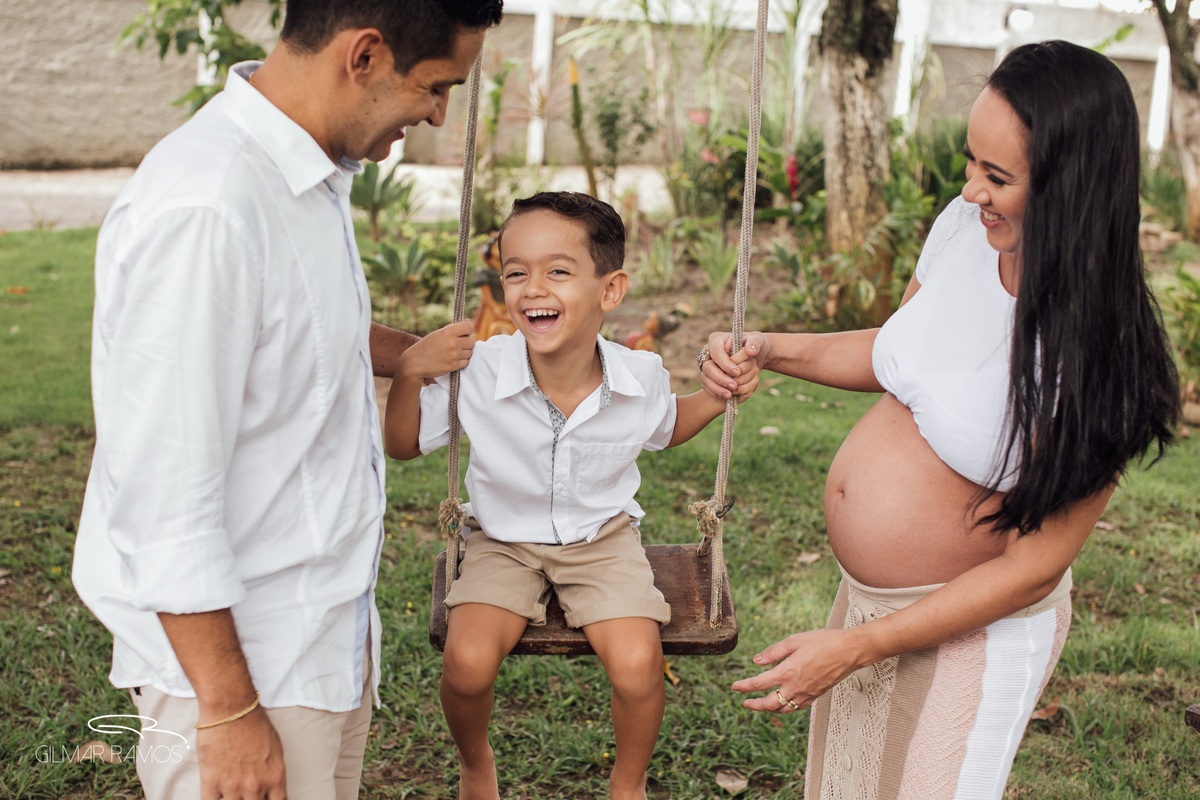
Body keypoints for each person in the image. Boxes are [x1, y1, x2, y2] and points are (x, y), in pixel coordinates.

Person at [699, 41, 1179, 799]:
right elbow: (900, 349)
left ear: (1070, 185)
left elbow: (1033, 566)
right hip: (869, 607)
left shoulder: (1100, 350)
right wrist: (769, 347)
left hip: (975, 636)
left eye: (997, 176)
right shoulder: (964, 231)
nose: (969, 190)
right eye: (970, 163)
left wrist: (860, 648)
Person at [71, 2, 502, 799]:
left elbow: (306, 319)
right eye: (437, 87)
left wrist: (423, 357)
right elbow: (162, 498)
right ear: (364, 55)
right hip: (246, 671)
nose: (440, 114)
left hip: (321, 643)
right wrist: (230, 712)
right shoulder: (209, 208)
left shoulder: (301, 171)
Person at [385, 192, 758, 800]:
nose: (533, 288)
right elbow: (402, 445)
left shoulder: (640, 379)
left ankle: (627, 783)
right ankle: (476, 766)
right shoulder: (478, 370)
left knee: (638, 665)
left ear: (609, 291)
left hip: (602, 540)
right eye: (515, 271)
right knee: (467, 663)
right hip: (502, 541)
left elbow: (668, 426)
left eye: (557, 271)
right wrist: (407, 373)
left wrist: (718, 396)